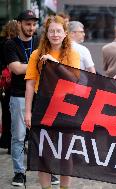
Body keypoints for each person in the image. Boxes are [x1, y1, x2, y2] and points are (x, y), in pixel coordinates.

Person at [24, 15, 80, 189]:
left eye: (58, 31)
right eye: (51, 31)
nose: (55, 34)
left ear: (65, 34)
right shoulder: (36, 54)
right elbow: (30, 83)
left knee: (65, 152)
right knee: (44, 152)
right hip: (43, 105)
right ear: (46, 33)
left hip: (66, 105)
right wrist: (27, 112)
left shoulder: (72, 53)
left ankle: (64, 188)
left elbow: (74, 79)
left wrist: (55, 63)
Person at [4, 10, 39, 186]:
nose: (31, 27)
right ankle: (19, 172)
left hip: (40, 95)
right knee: (18, 136)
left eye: (33, 24)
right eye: (27, 24)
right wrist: (39, 64)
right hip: (18, 95)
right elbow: (16, 69)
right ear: (19, 23)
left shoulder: (40, 41)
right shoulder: (10, 44)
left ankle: (48, 170)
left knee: (42, 135)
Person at [0, 20, 18, 155]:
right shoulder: (15, 44)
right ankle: (12, 144)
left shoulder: (2, 43)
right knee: (14, 115)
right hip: (14, 83)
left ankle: (5, 140)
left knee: (6, 113)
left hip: (3, 84)